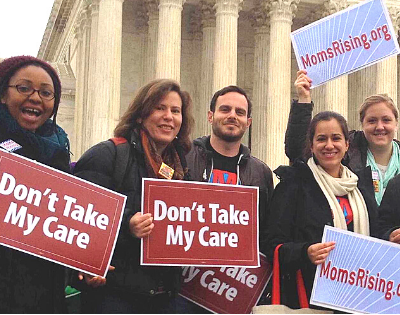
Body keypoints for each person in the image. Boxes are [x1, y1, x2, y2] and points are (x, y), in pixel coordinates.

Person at [72, 79, 194, 313]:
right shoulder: (108, 154)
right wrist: (127, 224)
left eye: (175, 111)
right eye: (160, 108)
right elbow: (79, 217)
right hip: (116, 296)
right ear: (140, 115)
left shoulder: (180, 169)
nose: (169, 116)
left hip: (165, 296)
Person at [264, 111, 378, 308]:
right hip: (308, 300)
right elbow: (270, 244)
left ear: (347, 144)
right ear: (311, 145)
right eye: (321, 139)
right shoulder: (293, 184)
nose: (329, 145)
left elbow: (376, 237)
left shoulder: (361, 187)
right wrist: (305, 252)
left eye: (336, 138)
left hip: (357, 299)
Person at [180, 85, 274, 312]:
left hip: (231, 288)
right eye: (225, 109)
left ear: (248, 122)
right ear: (211, 116)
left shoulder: (261, 172)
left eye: (240, 112)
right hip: (184, 285)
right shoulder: (183, 158)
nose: (232, 116)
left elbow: (265, 231)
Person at [0, 56, 70, 313]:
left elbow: (69, 223)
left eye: (46, 92)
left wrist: (85, 265)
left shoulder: (58, 152)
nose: (35, 97)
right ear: (3, 95)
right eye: (24, 88)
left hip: (44, 293)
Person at [285, 70, 400, 206]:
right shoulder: (346, 152)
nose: (379, 127)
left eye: (386, 120)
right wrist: (303, 100)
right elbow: (298, 152)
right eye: (372, 121)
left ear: (396, 124)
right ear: (362, 124)